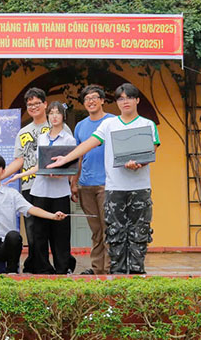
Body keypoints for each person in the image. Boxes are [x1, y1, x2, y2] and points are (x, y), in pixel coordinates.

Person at [48, 83, 159, 275]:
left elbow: (151, 150)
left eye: (129, 98)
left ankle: (136, 273)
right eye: (121, 98)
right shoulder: (109, 125)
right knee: (115, 233)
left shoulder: (147, 124)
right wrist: (65, 159)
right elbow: (89, 144)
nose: (125, 102)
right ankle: (116, 274)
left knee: (139, 232)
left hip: (140, 188)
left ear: (137, 100)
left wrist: (139, 163)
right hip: (114, 189)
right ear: (117, 102)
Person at [0, 87, 71, 273]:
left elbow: (71, 158)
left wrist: (71, 182)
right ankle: (41, 268)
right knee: (35, 232)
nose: (33, 107)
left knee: (59, 230)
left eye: (37, 103)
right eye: (29, 104)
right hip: (31, 187)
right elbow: (19, 160)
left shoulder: (60, 127)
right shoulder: (23, 132)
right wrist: (1, 176)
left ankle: (63, 267)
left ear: (45, 104)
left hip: (58, 187)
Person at [72, 85, 113, 275]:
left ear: (102, 100)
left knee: (108, 228)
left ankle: (111, 268)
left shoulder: (112, 121)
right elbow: (78, 157)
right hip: (86, 185)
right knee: (96, 230)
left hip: (107, 184)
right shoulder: (80, 126)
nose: (91, 101)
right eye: (87, 99)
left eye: (95, 97)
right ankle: (98, 269)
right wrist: (74, 183)